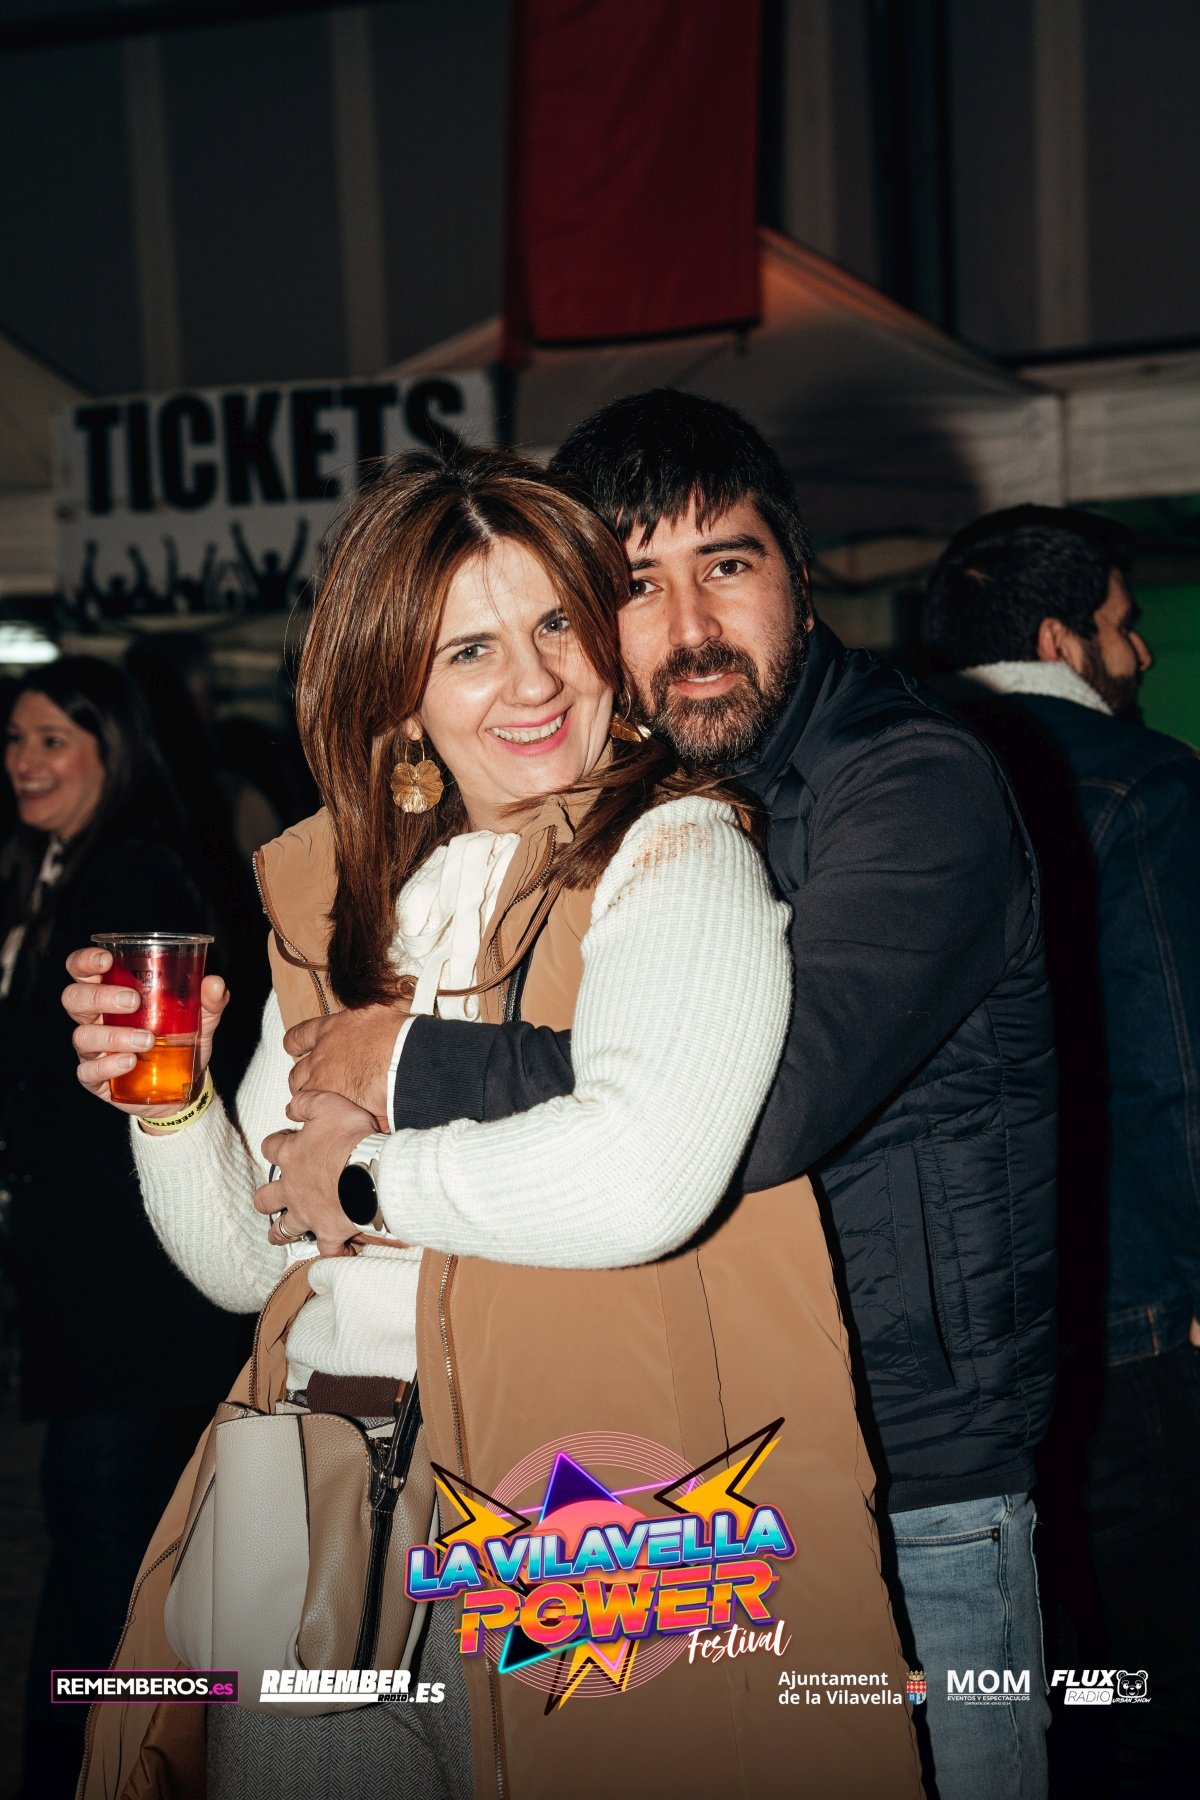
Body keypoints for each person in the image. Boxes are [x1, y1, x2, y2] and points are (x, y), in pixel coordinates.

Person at [64, 448, 921, 1800]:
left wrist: (367, 1179)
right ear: (399, 693)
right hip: (328, 1482)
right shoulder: (340, 898)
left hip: (574, 1500)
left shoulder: (677, 851)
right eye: (471, 650)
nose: (534, 681)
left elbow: (645, 1174)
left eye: (557, 625)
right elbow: (248, 1261)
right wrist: (166, 1107)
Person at [281, 394, 1059, 1800]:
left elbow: (752, 1110)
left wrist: (394, 1069)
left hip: (914, 1490)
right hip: (678, 1463)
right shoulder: (602, 821)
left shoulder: (910, 782)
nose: (692, 625)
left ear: (800, 575)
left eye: (729, 563)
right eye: (638, 583)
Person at [922, 504, 1200, 1800]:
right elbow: (1181, 1062)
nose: (1136, 654)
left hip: (948, 1339)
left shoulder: (886, 778)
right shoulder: (1149, 784)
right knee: (1162, 1685)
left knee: (1027, 1679)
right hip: (1135, 1309)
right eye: (1123, 627)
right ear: (1057, 637)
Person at [0, 657, 250, 1799]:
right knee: (97, 1532)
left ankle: (91, 1772)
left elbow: (150, 1072)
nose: (25, 762)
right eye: (16, 740)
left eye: (54, 739)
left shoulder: (136, 870)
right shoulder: (50, 866)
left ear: (116, 751)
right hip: (85, 1277)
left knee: (104, 1542)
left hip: (132, 1284)